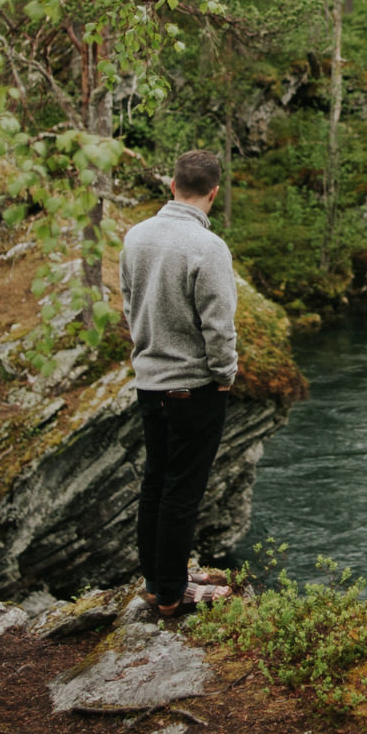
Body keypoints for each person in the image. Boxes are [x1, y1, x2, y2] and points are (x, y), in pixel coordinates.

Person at [122, 149, 238, 618]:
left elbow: (130, 307)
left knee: (156, 482)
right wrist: (225, 376)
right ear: (213, 193)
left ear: (172, 185)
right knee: (182, 493)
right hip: (194, 387)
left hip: (149, 384)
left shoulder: (135, 236)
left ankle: (157, 580)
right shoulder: (208, 247)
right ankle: (173, 595)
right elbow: (219, 327)